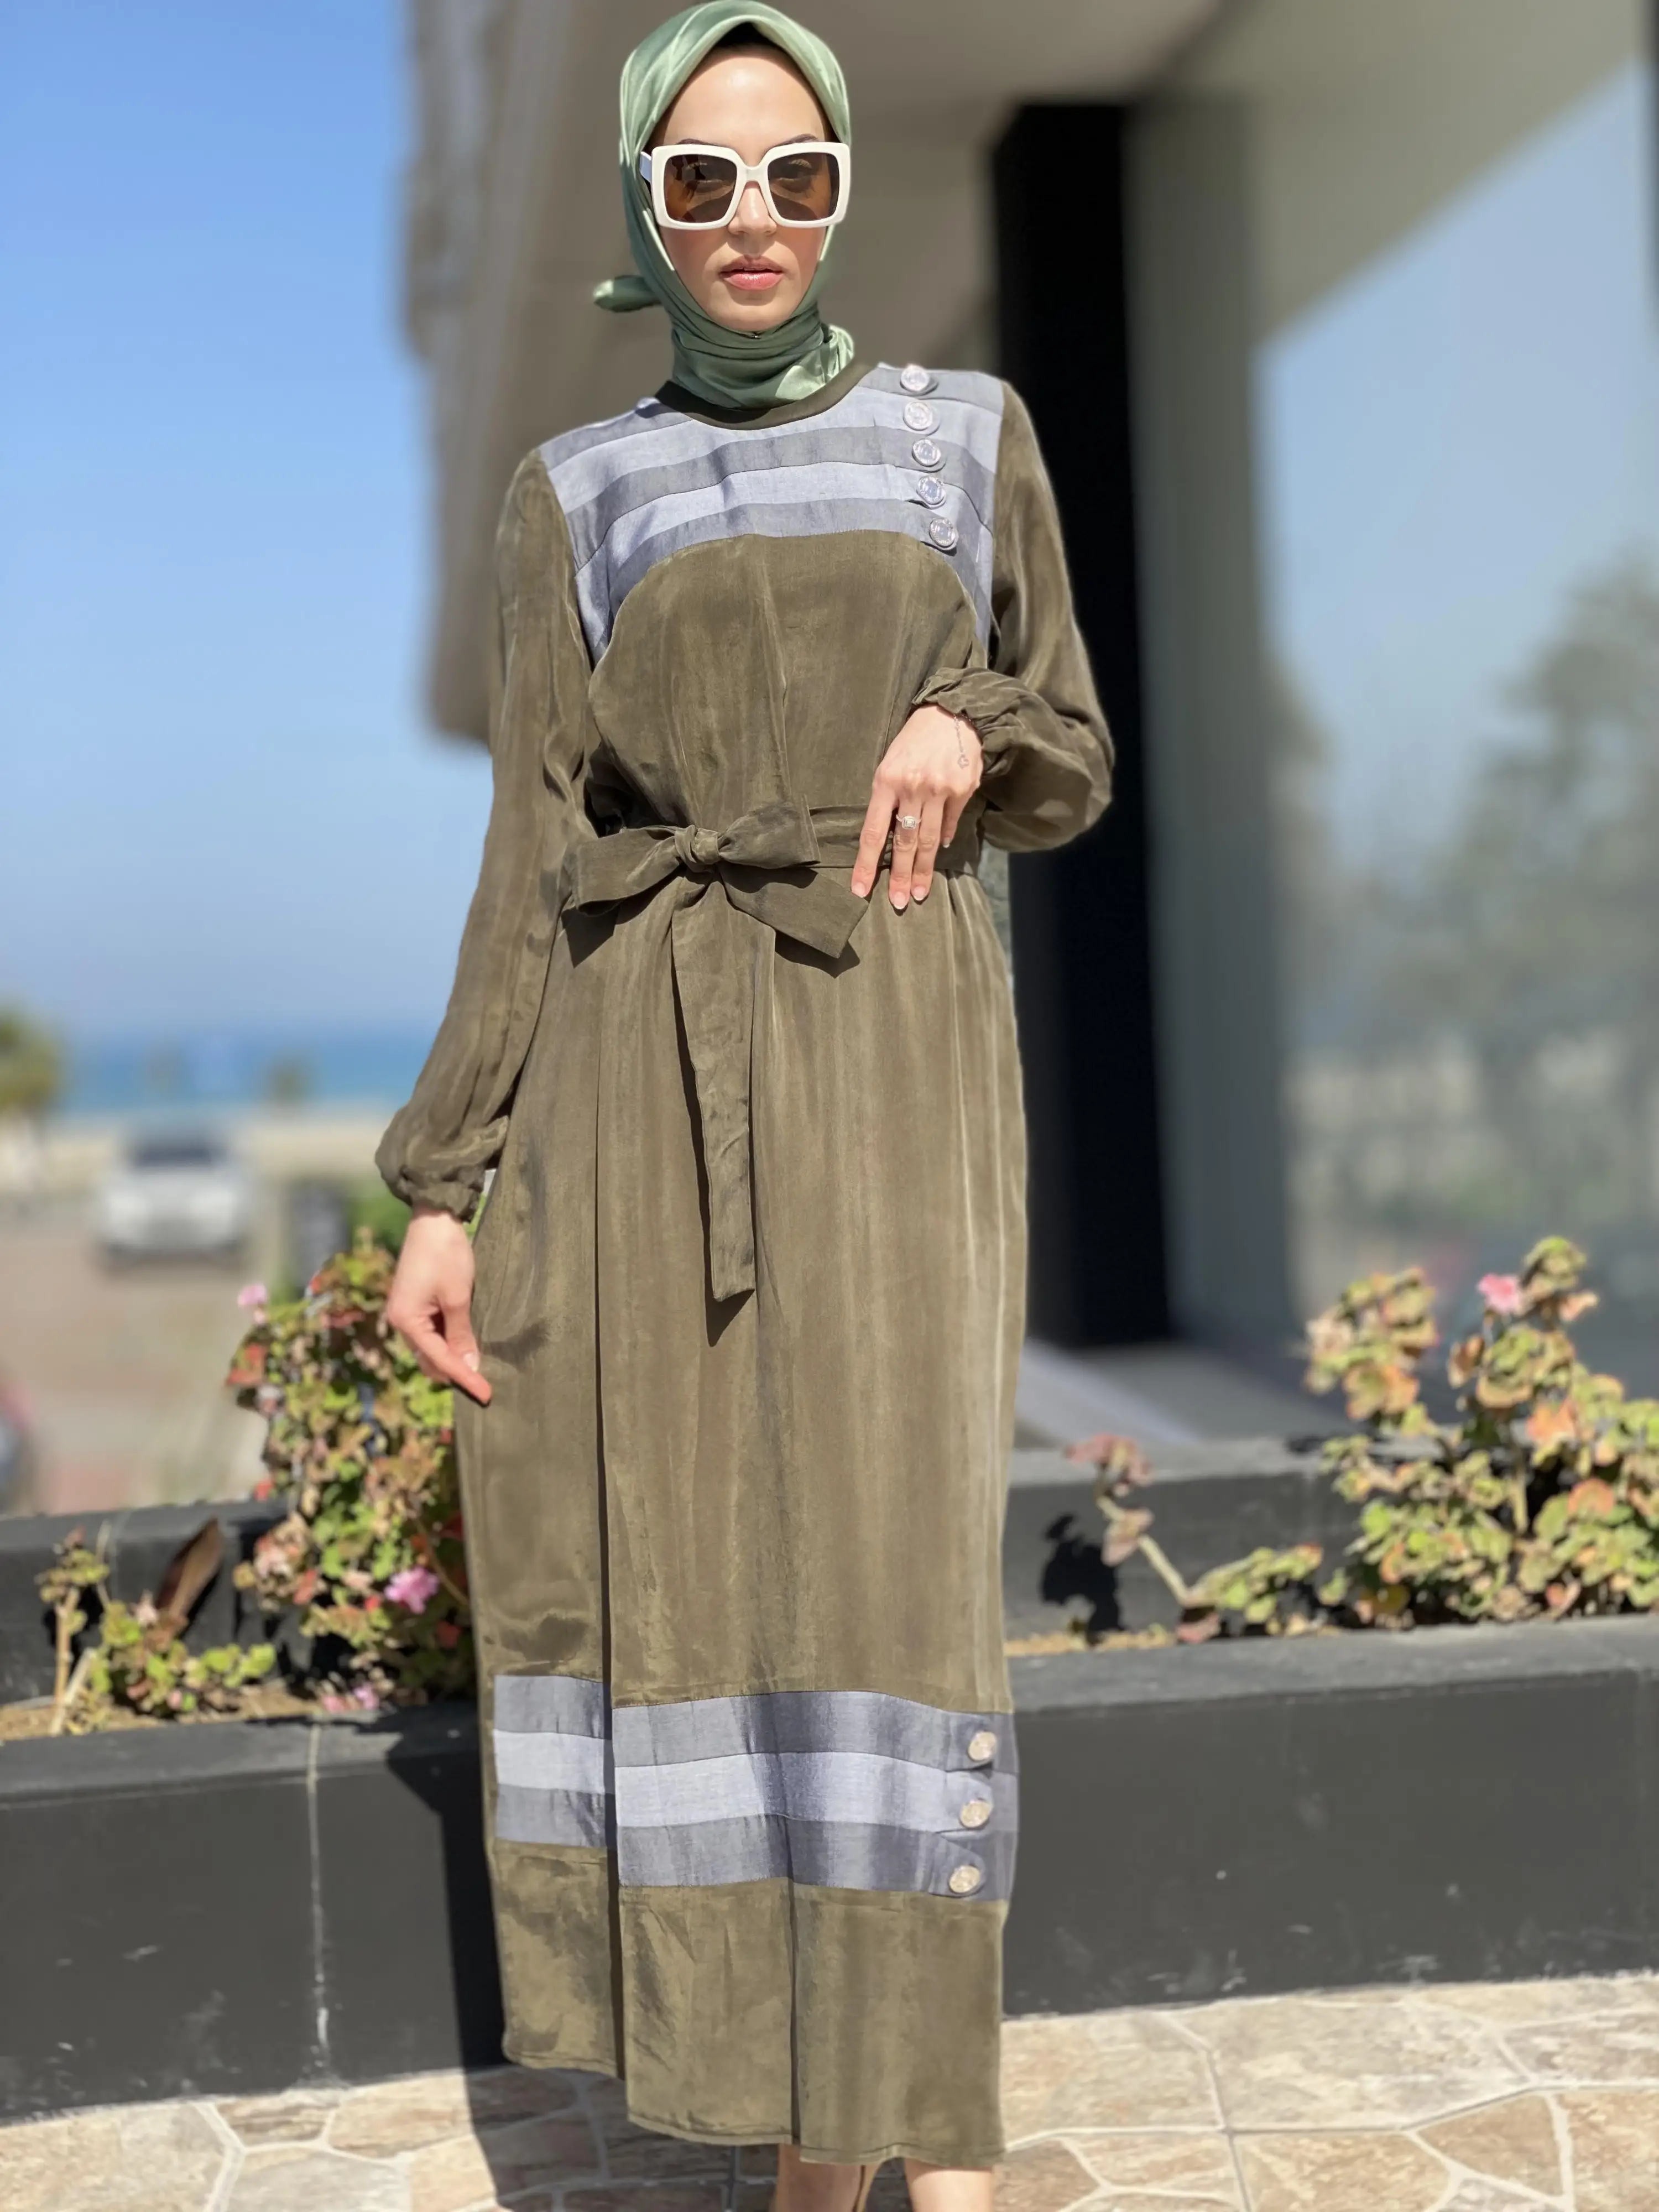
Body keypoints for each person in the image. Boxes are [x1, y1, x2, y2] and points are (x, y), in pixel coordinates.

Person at [378, 7, 1112, 2207]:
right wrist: (445, 1183)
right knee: (708, 1582)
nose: (754, 218)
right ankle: (807, 2137)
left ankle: (913, 2133)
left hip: (894, 1058)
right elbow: (532, 851)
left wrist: (970, 721)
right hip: (643, 1071)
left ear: (842, 184)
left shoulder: (968, 435)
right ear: (645, 209)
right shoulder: (573, 490)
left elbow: (1073, 739)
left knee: (892, 1587)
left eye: (797, 172)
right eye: (701, 181)